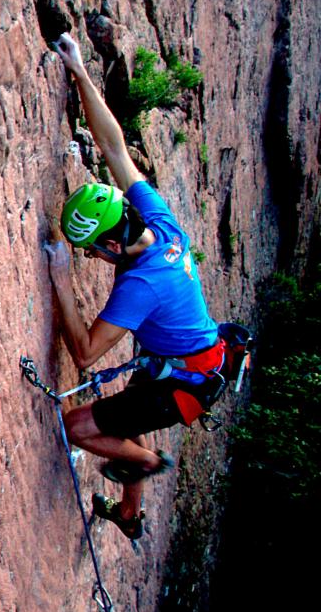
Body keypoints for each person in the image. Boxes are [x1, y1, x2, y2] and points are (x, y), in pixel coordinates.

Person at [42, 32, 224, 540]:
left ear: (113, 247)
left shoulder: (141, 286)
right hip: (184, 359)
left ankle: (146, 462)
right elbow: (114, 146)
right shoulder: (156, 221)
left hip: (186, 384)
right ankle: (128, 513)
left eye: (92, 251)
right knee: (127, 407)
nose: (92, 259)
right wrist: (79, 70)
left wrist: (60, 280)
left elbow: (84, 353)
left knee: (81, 426)